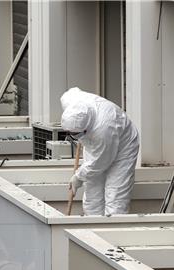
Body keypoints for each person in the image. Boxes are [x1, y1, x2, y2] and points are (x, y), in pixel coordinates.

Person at [60, 87, 140, 216]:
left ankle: (112, 229)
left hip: (124, 147)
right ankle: (92, 225)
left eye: (76, 133)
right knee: (92, 190)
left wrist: (78, 176)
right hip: (95, 144)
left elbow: (99, 163)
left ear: (86, 128)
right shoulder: (71, 102)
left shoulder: (104, 129)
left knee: (115, 194)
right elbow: (70, 92)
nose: (72, 136)